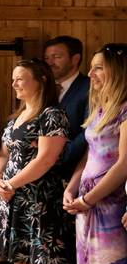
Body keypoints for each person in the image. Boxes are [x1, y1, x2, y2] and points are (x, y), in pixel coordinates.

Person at [0, 58, 73, 264]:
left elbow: (46, 160)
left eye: (21, 78)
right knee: (20, 260)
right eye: (13, 78)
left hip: (40, 201)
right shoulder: (16, 117)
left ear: (41, 80)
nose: (14, 84)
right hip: (13, 201)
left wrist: (12, 184)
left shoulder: (52, 115)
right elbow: (2, 153)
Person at [63, 44, 127, 264]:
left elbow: (122, 165)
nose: (92, 75)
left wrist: (89, 198)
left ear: (118, 70)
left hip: (111, 205)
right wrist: (72, 188)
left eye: (99, 68)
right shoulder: (102, 109)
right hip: (88, 205)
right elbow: (89, 155)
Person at [45, 36, 91, 180]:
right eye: (46, 58)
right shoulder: (42, 87)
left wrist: (58, 155)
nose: (50, 63)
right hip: (40, 172)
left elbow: (90, 129)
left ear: (75, 59)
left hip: (73, 171)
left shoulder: (90, 88)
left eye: (56, 57)